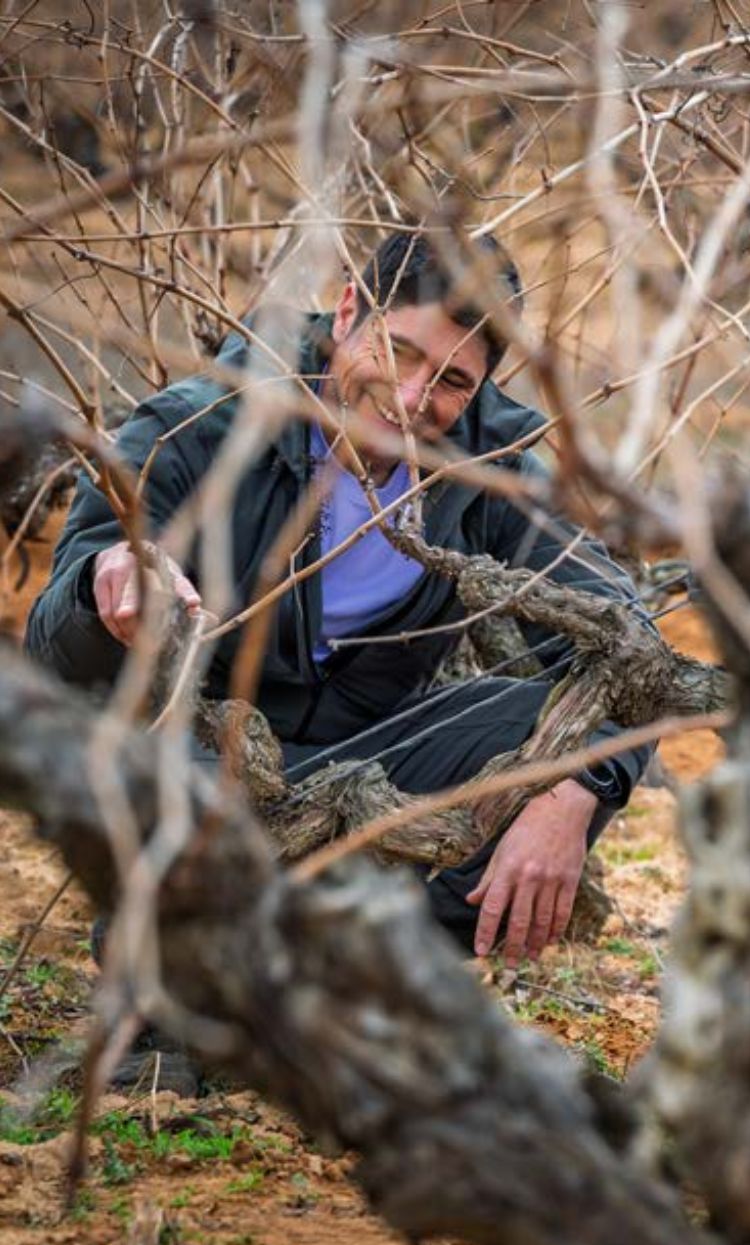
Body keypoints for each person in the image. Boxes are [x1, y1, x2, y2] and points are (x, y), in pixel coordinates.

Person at [28, 232, 652, 1091]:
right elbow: (50, 641)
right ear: (351, 308)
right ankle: (171, 1012)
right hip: (192, 758)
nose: (410, 398)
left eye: (453, 382)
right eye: (400, 353)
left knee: (531, 725)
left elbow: (627, 646)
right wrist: (108, 586)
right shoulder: (203, 418)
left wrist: (579, 783)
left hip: (363, 769)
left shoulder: (494, 467)